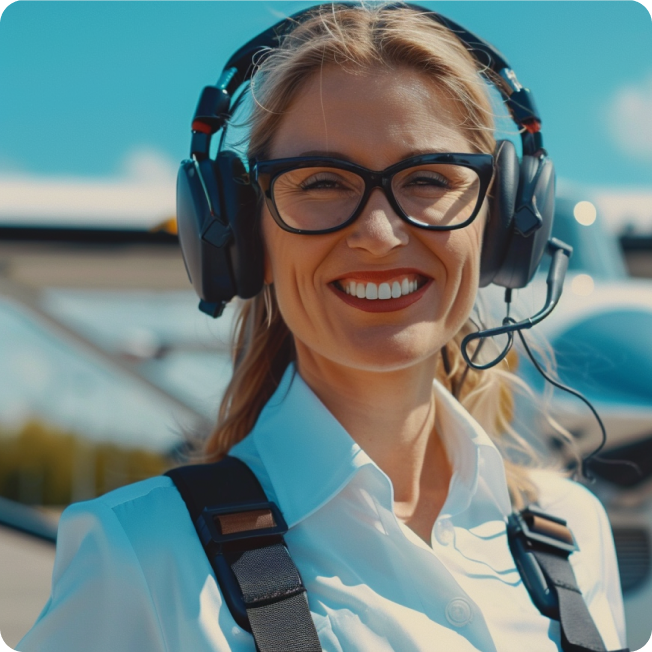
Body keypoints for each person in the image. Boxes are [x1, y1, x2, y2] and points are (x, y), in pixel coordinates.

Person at [18, 3, 627, 651]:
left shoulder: (575, 532)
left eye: (427, 178)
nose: (378, 233)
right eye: (322, 182)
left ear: (502, 220)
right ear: (247, 234)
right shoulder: (138, 555)